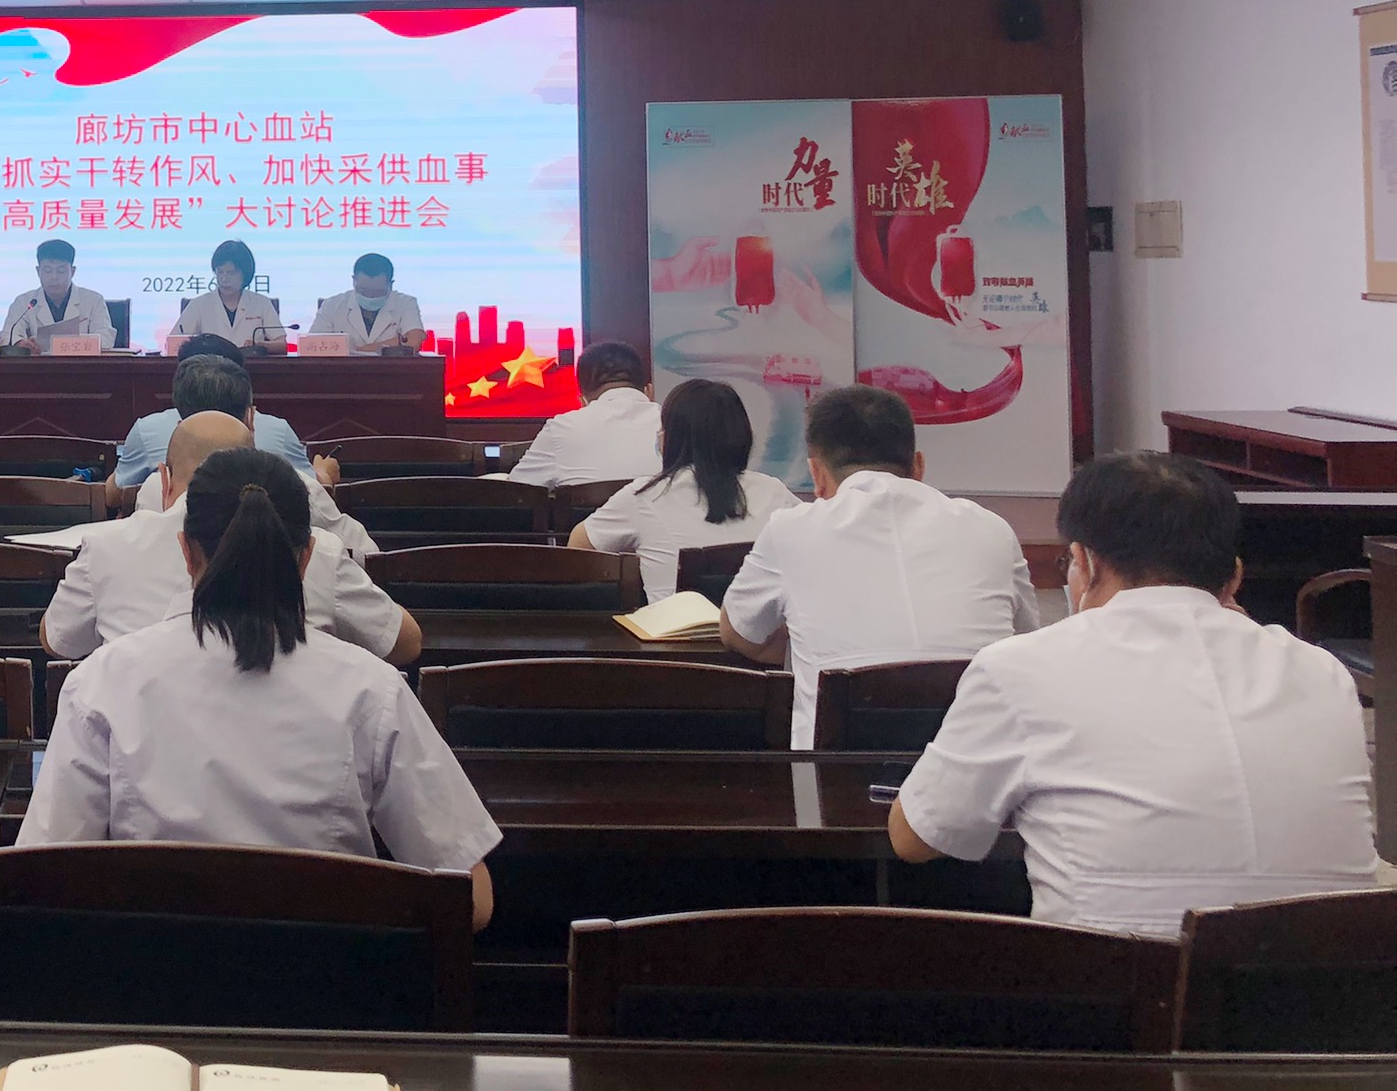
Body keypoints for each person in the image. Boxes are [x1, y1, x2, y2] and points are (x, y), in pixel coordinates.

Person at [890, 452, 1376, 940]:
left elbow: (916, 838)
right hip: (1328, 979)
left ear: (1084, 562)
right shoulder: (1324, 672)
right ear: (1234, 576)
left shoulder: (1022, 665)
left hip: (1121, 982)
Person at [21, 445, 498, 930]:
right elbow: (470, 899)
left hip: (149, 973)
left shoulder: (101, 684)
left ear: (185, 551)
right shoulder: (373, 691)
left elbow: (39, 882)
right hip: (330, 972)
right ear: (307, 557)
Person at [720, 384, 1037, 749]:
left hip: (835, 773)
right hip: (982, 764)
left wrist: (802, 650)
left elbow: (737, 632)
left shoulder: (789, 530)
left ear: (817, 474)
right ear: (918, 466)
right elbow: (1025, 643)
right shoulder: (992, 529)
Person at [45, 413, 419, 666]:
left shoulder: (107, 548)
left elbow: (59, 641)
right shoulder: (319, 548)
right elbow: (403, 642)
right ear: (304, 559)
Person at [572, 377, 799, 598]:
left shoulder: (645, 496)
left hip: (676, 624)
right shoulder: (775, 492)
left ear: (671, 438)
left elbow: (578, 550)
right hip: (760, 624)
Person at [112, 336, 314, 491]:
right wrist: (324, 473)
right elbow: (311, 489)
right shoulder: (278, 429)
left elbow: (114, 494)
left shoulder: (148, 428)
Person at [508, 341, 661, 487]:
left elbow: (515, 491)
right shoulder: (672, 423)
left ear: (583, 401)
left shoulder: (560, 428)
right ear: (649, 391)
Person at [0, 238, 117, 354]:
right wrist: (20, 343)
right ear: (38, 271)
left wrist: (67, 345)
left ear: (72, 271)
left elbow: (105, 339)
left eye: (61, 271)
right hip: (39, 366)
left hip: (82, 365)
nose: (54, 277)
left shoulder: (93, 300)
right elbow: (7, 336)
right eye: (47, 270)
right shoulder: (24, 302)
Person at [170, 239, 284, 351]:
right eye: (220, 272)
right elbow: (174, 344)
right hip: (210, 363)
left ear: (245, 274)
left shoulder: (261, 303)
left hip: (249, 362)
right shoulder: (198, 304)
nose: (224, 279)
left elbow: (282, 344)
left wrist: (260, 345)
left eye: (231, 273)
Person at [306, 253, 424, 354]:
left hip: (392, 371)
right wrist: (395, 343)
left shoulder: (406, 303)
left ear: (391, 284)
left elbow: (414, 342)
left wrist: (359, 350)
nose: (370, 297)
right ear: (353, 281)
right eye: (363, 291)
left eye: (378, 292)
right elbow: (312, 347)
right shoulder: (332, 305)